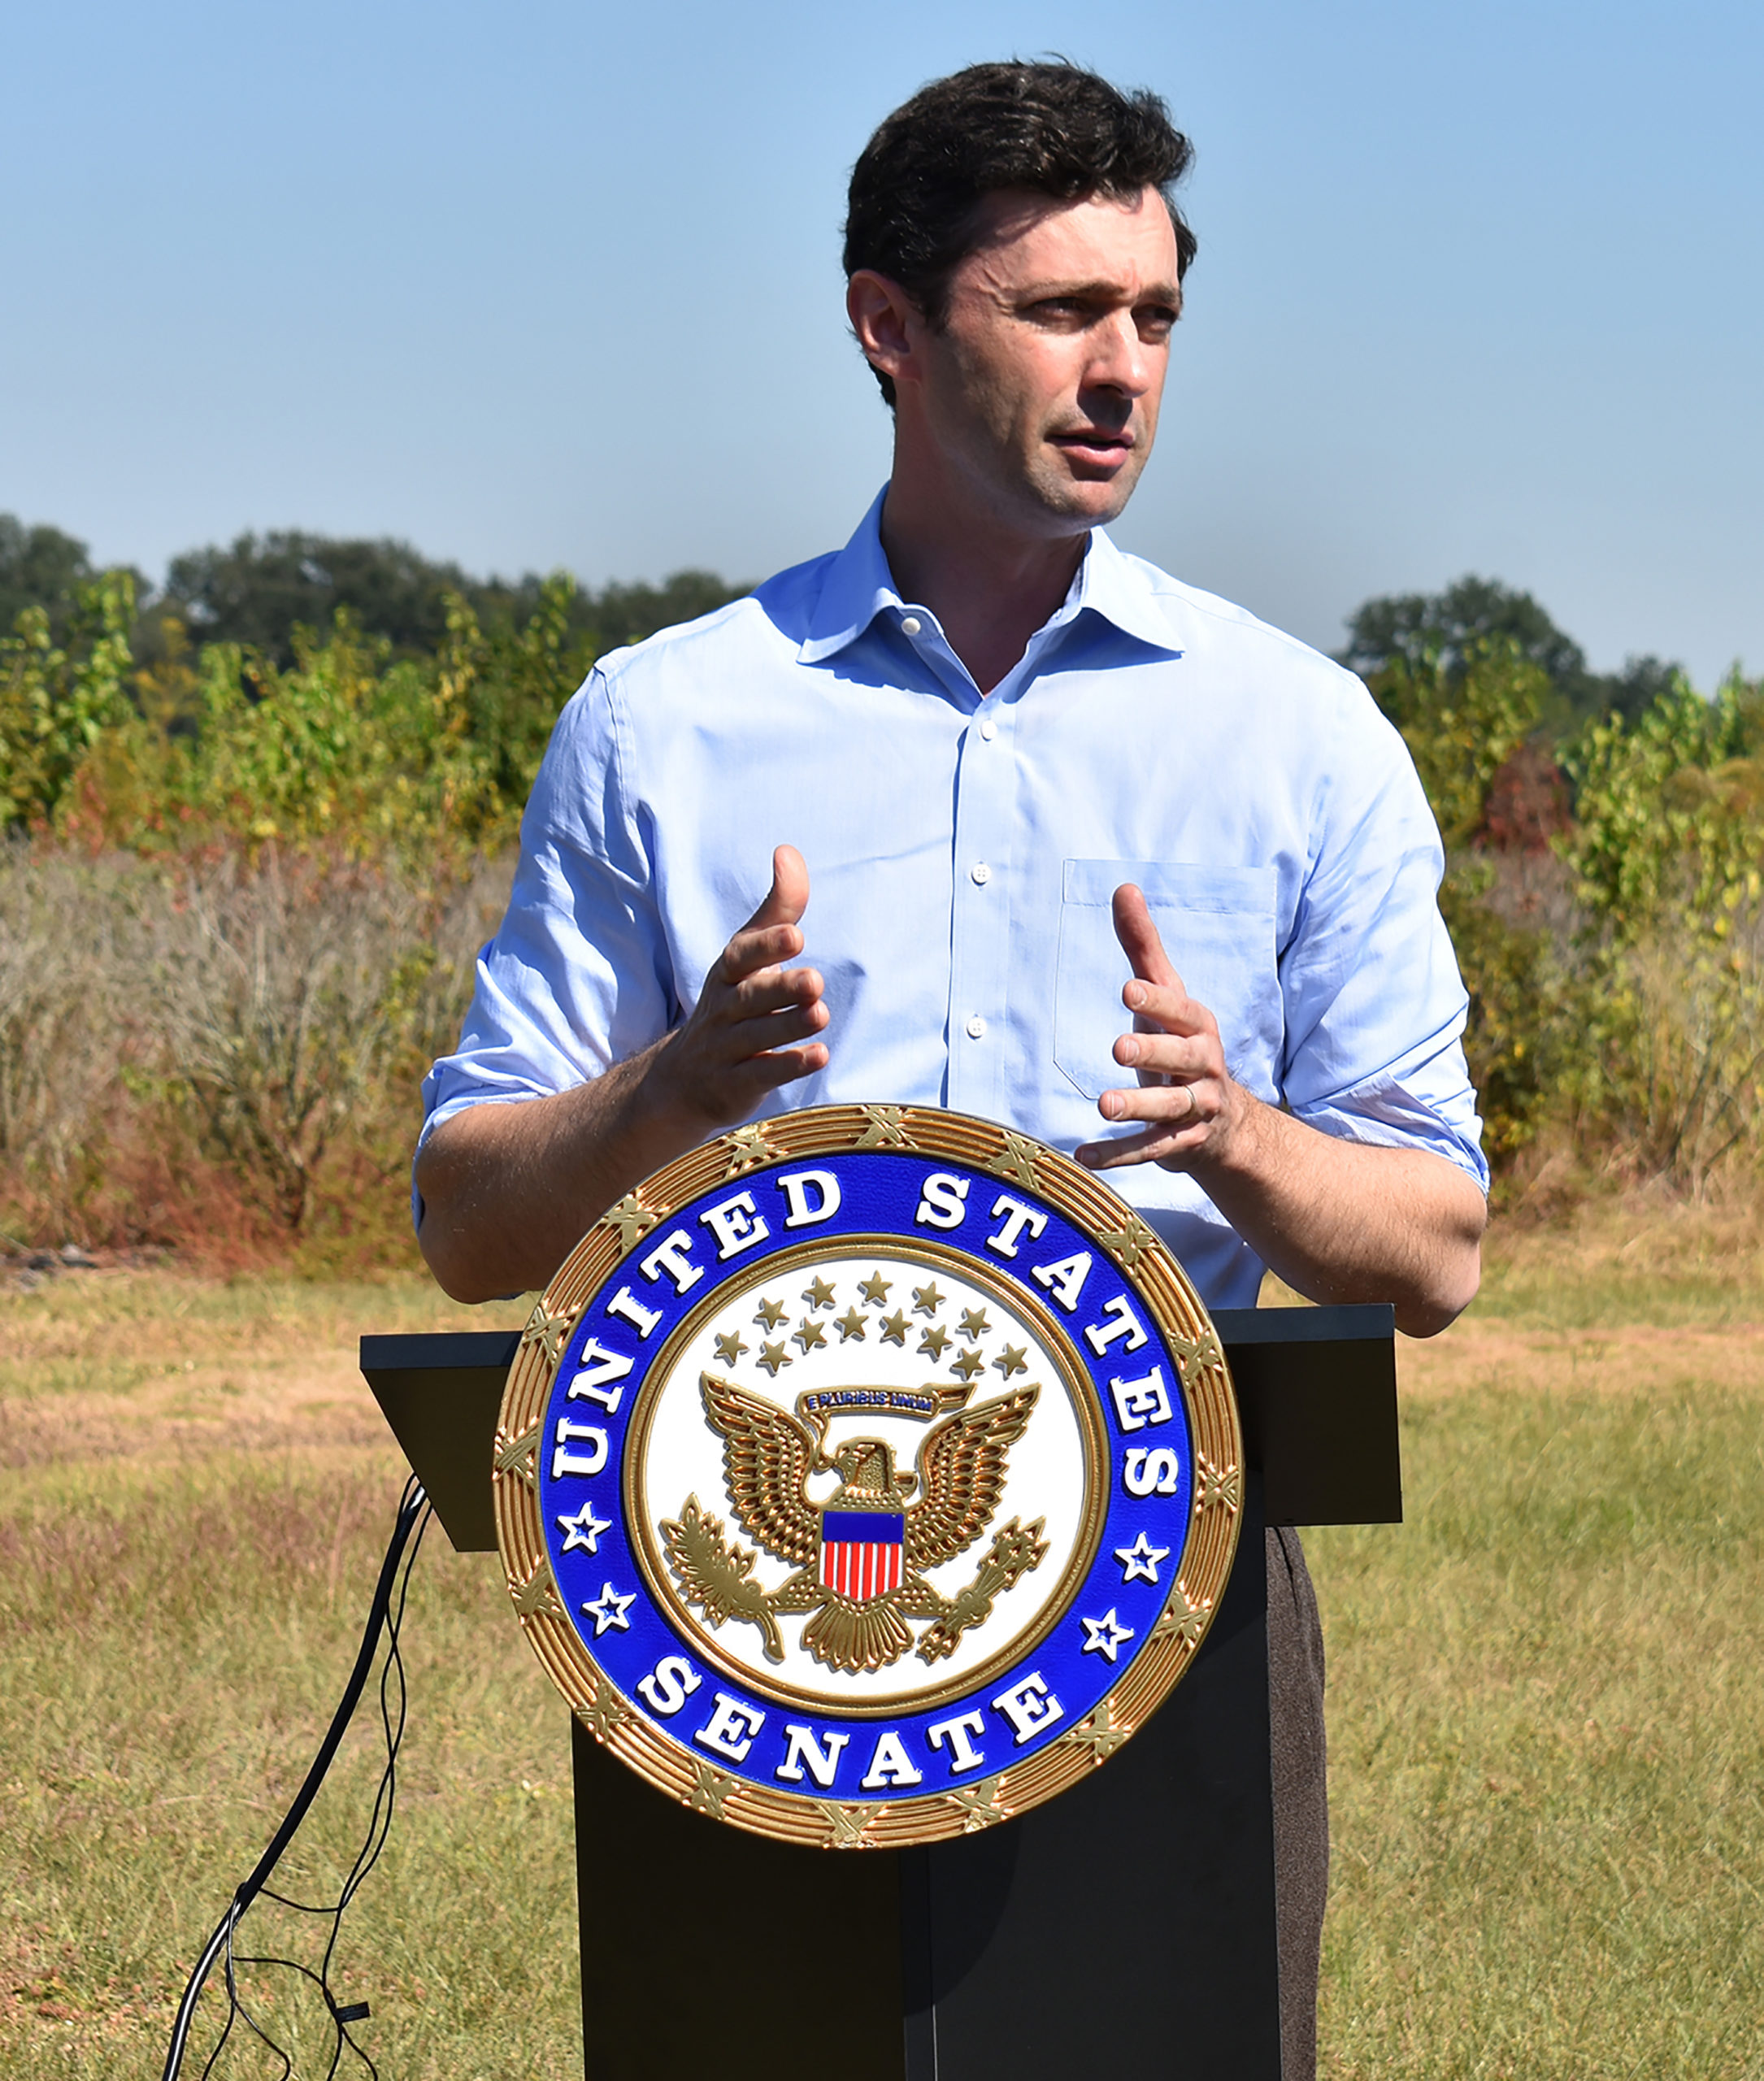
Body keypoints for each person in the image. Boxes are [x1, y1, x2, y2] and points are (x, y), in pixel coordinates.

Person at [415, 60, 1488, 2079]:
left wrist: (1236, 1139)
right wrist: (674, 1090)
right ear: (885, 325)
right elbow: (468, 1223)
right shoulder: (668, 726)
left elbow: (1431, 1245)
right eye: (1059, 311)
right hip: (728, 1621)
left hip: (1163, 1601)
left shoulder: (1292, 734)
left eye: (1152, 317)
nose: (1121, 371)